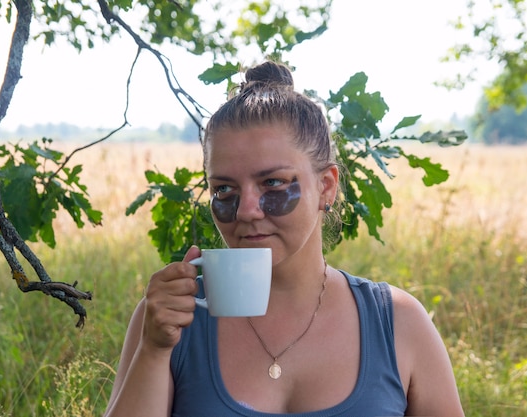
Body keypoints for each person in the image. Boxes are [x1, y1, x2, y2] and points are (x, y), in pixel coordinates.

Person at [104, 61, 465, 417]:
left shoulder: (398, 324)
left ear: (326, 186)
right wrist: (153, 349)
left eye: (272, 183)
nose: (246, 209)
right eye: (224, 188)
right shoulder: (169, 320)